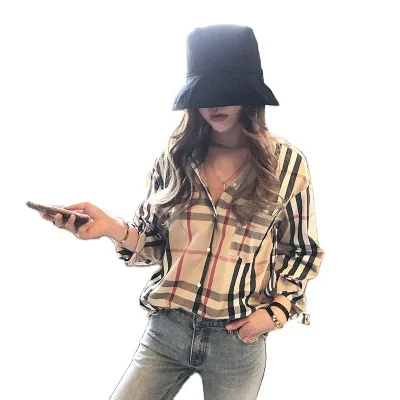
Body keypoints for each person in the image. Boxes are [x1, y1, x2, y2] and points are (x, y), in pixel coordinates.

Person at [40, 24, 325, 400]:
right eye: (205, 93)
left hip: (237, 339)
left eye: (227, 92)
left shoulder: (287, 166)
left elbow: (302, 251)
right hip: (167, 331)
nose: (215, 104)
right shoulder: (174, 159)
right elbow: (156, 246)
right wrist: (109, 227)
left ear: (249, 95)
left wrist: (276, 313)